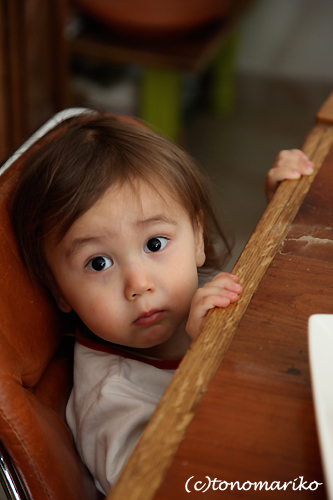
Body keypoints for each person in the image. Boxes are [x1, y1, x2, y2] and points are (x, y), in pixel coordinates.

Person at [10, 109, 314, 494]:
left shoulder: (193, 285)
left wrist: (286, 210)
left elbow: (268, 294)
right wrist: (208, 364)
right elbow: (173, 484)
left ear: (198, 238)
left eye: (155, 244)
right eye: (98, 263)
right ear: (59, 293)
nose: (139, 284)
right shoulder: (109, 401)